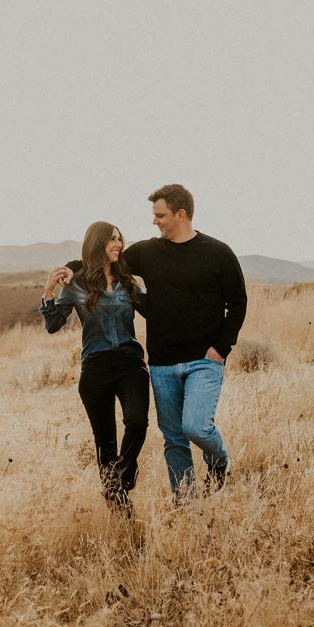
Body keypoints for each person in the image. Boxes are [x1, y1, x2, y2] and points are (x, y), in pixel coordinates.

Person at [55, 184, 247, 500]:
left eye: (160, 215)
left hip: (204, 359)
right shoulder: (147, 252)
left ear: (180, 214)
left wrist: (221, 347)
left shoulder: (218, 253)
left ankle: (218, 460)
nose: (154, 221)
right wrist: (72, 268)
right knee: (173, 438)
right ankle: (186, 504)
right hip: (161, 362)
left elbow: (238, 302)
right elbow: (104, 259)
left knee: (196, 428)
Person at [40, 221, 149, 515]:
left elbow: (155, 312)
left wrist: (150, 290)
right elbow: (53, 325)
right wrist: (49, 290)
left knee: (137, 423)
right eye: (112, 239)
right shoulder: (76, 285)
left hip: (130, 365)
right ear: (97, 243)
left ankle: (121, 477)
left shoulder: (128, 281)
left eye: (119, 239)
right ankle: (122, 512)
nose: (118, 244)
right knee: (105, 444)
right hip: (95, 370)